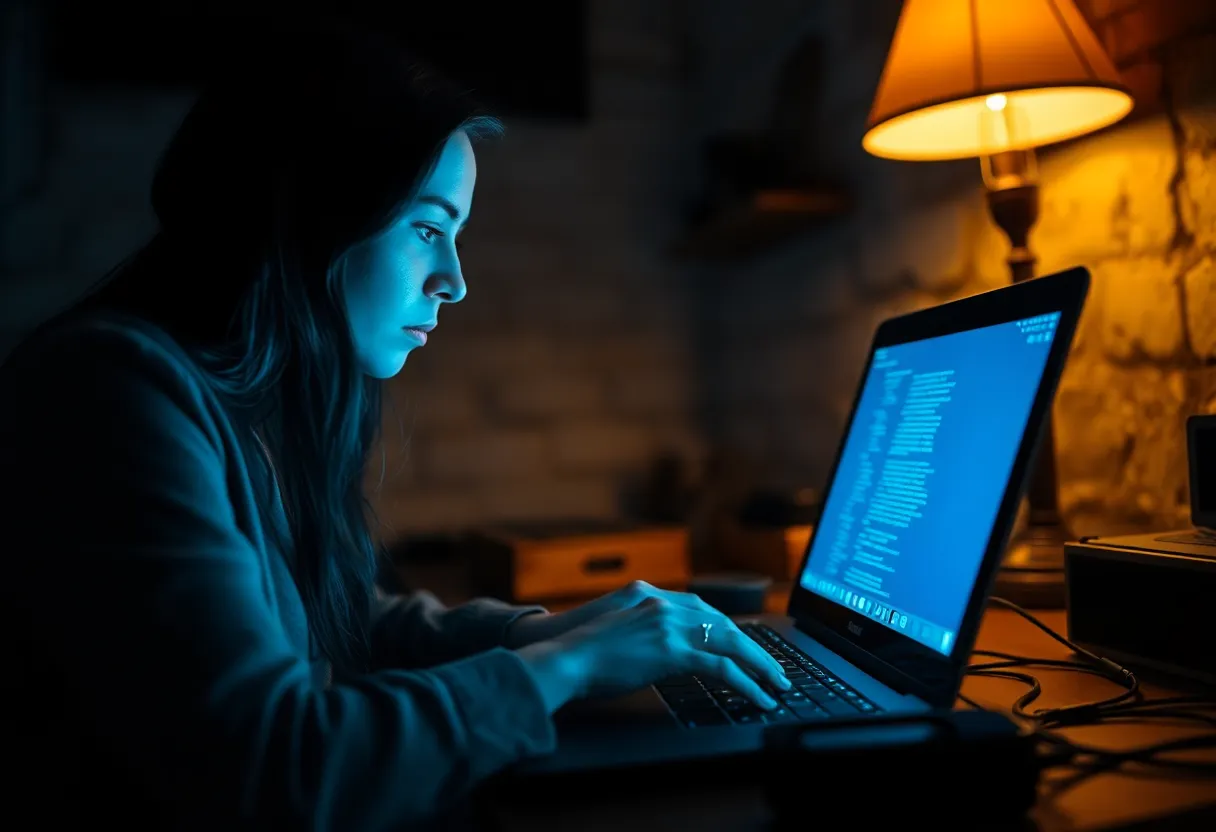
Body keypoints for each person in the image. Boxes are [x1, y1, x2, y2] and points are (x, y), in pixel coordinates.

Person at [0, 16, 790, 832]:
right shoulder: (111, 394)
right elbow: (274, 768)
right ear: (313, 210)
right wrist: (570, 666)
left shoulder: (249, 408)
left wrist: (545, 632)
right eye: (428, 227)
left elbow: (344, 620)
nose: (454, 280)